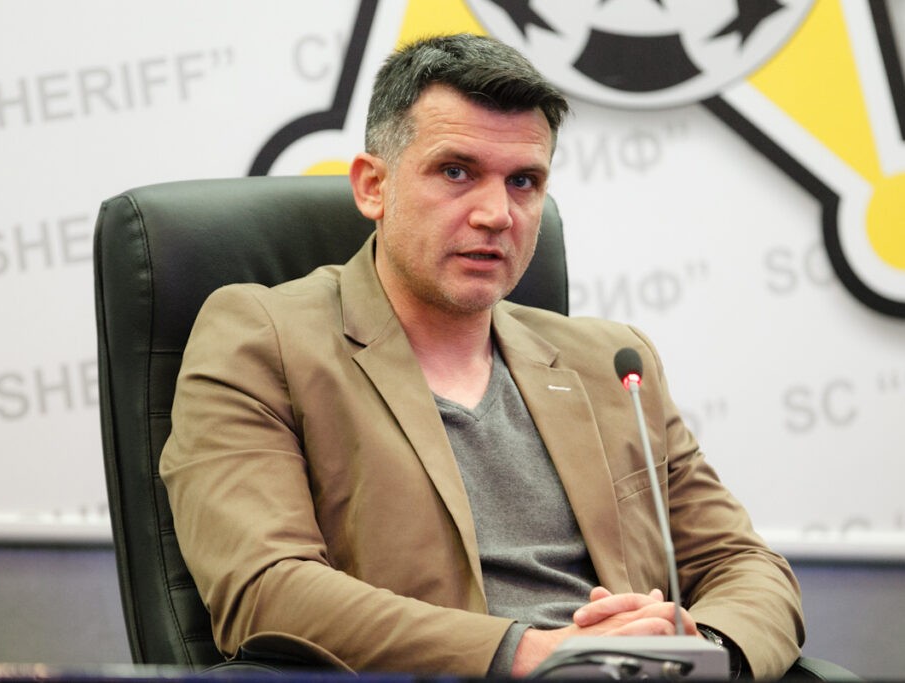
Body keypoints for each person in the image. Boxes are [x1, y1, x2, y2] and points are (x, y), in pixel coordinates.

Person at [160, 33, 803, 679]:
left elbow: (744, 564)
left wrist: (702, 649)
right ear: (373, 186)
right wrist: (535, 655)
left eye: (523, 181)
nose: (497, 214)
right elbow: (266, 591)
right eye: (456, 172)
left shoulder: (611, 362)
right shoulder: (262, 337)